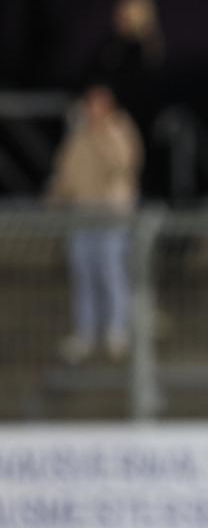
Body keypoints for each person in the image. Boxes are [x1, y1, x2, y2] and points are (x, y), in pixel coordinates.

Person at [48, 84, 143, 364]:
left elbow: (121, 163)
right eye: (90, 104)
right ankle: (86, 333)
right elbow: (67, 169)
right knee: (83, 275)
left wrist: (99, 133)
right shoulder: (78, 134)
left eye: (98, 104)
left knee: (112, 272)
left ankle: (117, 331)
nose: (92, 110)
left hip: (112, 215)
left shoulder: (120, 130)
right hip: (82, 213)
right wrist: (56, 195)